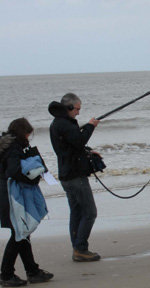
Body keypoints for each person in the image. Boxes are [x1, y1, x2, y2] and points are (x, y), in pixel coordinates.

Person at [0, 118, 54, 286]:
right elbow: (14, 171)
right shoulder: (14, 148)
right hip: (10, 195)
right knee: (20, 232)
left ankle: (32, 270)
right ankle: (6, 274)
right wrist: (32, 180)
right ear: (24, 132)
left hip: (5, 194)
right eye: (29, 134)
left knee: (22, 232)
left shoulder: (5, 145)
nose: (29, 138)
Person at [48, 93, 101, 262]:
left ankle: (77, 247)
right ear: (69, 107)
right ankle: (80, 248)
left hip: (67, 175)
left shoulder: (60, 123)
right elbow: (79, 140)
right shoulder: (64, 124)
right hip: (75, 176)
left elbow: (72, 145)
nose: (78, 113)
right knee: (90, 212)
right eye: (77, 109)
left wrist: (87, 151)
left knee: (76, 212)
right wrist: (91, 126)